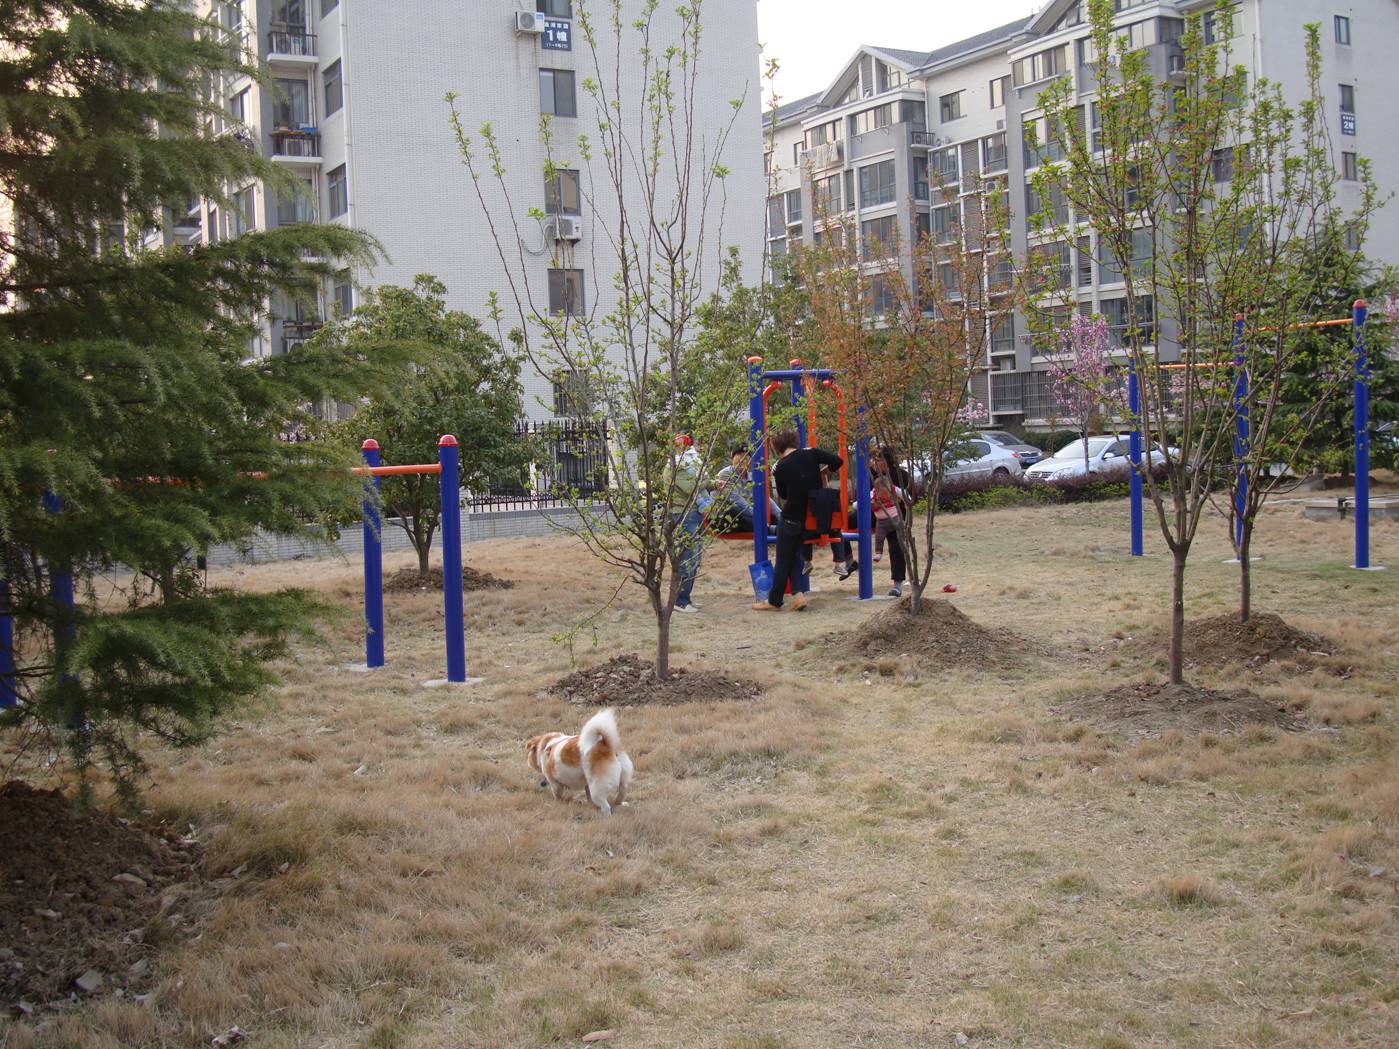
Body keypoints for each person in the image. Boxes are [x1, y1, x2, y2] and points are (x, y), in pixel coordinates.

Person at [752, 430, 843, 612]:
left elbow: (784, 495)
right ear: (795, 441)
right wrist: (820, 472)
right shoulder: (811, 453)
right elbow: (837, 461)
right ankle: (798, 595)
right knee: (795, 556)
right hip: (814, 521)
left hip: (792, 519)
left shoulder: (780, 466)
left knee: (783, 559)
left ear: (776, 447)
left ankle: (774, 601)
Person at [669, 434, 704, 612]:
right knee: (688, 557)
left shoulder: (689, 463)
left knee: (695, 557)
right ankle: (680, 601)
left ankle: (686, 597)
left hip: (693, 512)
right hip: (684, 513)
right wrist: (710, 483)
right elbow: (692, 487)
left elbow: (697, 483)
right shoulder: (675, 465)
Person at [872, 448, 910, 598]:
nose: (874, 463)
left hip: (895, 517)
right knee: (843, 522)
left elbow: (911, 497)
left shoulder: (901, 476)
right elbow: (862, 497)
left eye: (878, 459)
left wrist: (898, 499)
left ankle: (897, 585)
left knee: (896, 546)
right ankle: (848, 561)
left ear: (887, 461)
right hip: (874, 515)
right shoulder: (871, 475)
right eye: (874, 460)